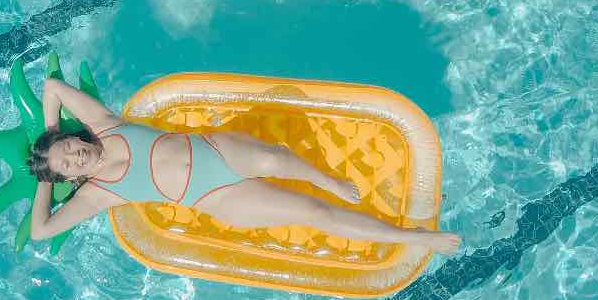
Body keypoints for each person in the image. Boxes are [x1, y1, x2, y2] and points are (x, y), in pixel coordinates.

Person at [27, 77, 462, 254]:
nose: (74, 155)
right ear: (71, 177)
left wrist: (48, 136)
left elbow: (51, 87)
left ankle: (325, 178)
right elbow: (40, 231)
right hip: (216, 197)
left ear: (72, 136)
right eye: (67, 164)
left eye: (67, 146)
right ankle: (415, 238)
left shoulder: (103, 125)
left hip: (215, 150)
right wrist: (47, 178)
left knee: (275, 157)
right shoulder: (97, 194)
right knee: (315, 214)